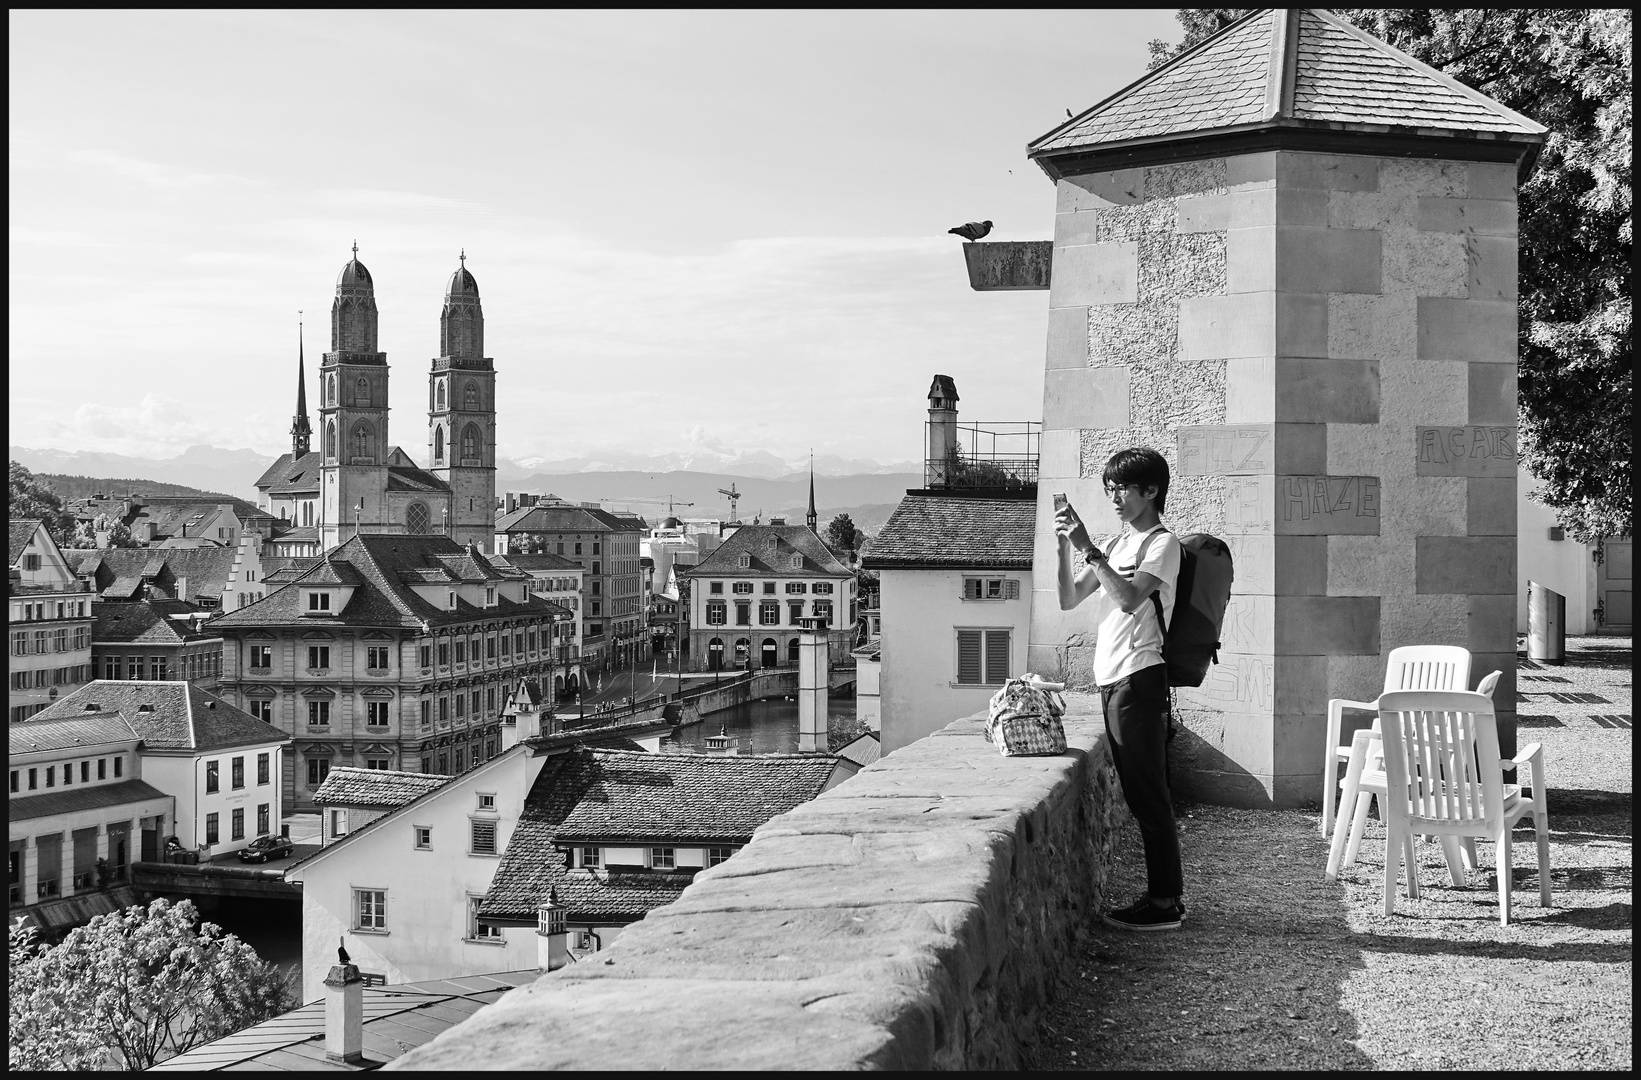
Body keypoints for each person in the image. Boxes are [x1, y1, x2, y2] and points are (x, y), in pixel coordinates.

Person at [1053, 447, 1185, 931]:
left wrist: (1090, 549)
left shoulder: (1161, 544)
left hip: (1140, 675)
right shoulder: (1117, 543)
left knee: (1148, 791)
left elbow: (1129, 598)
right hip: (1113, 680)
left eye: (1122, 488)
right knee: (1138, 788)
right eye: (1109, 488)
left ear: (1150, 491)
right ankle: (1163, 897)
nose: (1114, 496)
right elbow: (1069, 599)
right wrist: (1066, 547)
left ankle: (1166, 903)